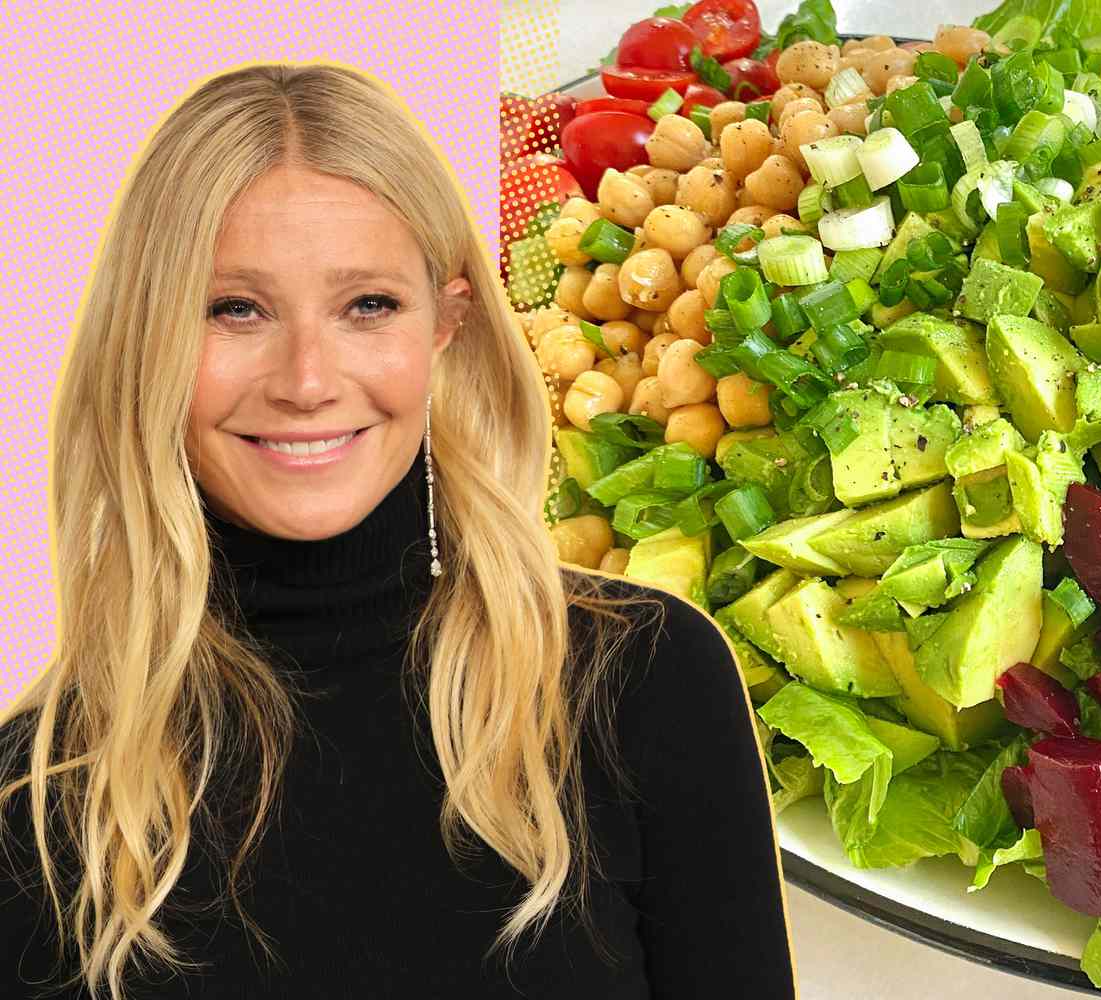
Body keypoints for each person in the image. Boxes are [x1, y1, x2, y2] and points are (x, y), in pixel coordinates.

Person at [0, 63, 797, 1000]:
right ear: (149, 337)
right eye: (235, 309)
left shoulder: (646, 679)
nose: (306, 380)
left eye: (366, 306)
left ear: (446, 324)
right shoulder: (38, 802)